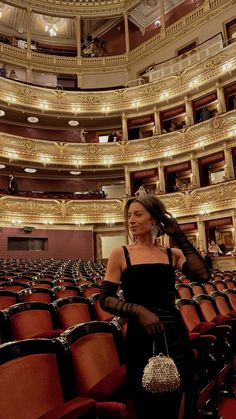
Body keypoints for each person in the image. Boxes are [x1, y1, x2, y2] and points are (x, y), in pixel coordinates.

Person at [100, 195, 210, 419]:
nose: (131, 220)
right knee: (146, 399)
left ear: (154, 220)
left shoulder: (171, 254)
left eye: (138, 214)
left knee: (180, 392)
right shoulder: (121, 253)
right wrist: (137, 310)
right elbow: (106, 299)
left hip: (174, 334)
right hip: (141, 336)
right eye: (129, 215)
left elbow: (202, 274)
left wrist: (178, 234)